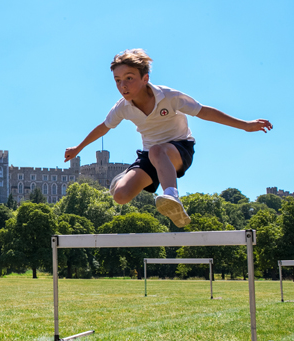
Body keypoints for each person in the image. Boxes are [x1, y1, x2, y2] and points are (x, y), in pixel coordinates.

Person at [64, 49, 272, 228]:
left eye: (129, 78)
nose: (123, 85)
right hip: (149, 157)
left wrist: (245, 125)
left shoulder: (169, 97)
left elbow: (205, 112)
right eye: (118, 81)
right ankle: (127, 180)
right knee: (121, 196)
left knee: (157, 150)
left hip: (179, 149)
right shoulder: (122, 107)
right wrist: (78, 148)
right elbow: (103, 127)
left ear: (145, 79)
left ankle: (172, 195)